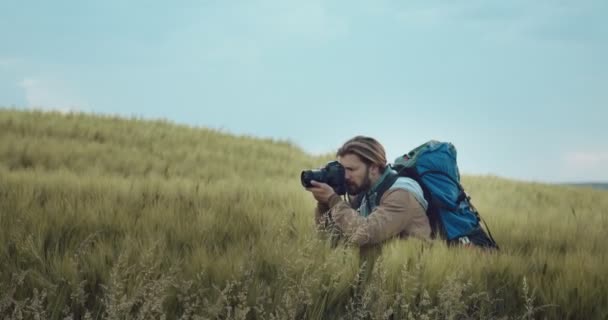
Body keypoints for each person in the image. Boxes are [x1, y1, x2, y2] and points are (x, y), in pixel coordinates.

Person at [306, 136, 431, 247]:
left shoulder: (401, 195)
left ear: (374, 168)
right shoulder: (364, 194)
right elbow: (332, 240)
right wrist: (324, 204)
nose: (345, 176)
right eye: (343, 170)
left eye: (351, 169)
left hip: (411, 269)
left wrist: (332, 199)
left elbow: (363, 234)